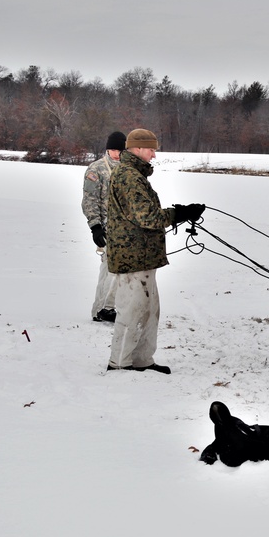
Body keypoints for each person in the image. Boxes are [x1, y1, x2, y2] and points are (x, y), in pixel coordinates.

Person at [105, 128, 205, 374]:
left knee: (149, 311)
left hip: (143, 256)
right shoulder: (128, 176)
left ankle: (141, 360)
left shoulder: (135, 175)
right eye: (151, 150)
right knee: (132, 311)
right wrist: (178, 214)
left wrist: (179, 213)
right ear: (137, 149)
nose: (154, 155)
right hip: (132, 257)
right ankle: (119, 363)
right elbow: (147, 217)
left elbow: (144, 214)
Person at [82, 131, 126, 322]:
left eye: (119, 150)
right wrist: (95, 226)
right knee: (109, 269)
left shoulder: (128, 168)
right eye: (113, 149)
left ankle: (109, 307)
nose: (116, 153)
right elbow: (89, 200)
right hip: (107, 228)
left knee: (120, 271)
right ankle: (100, 309)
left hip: (126, 228)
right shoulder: (96, 169)